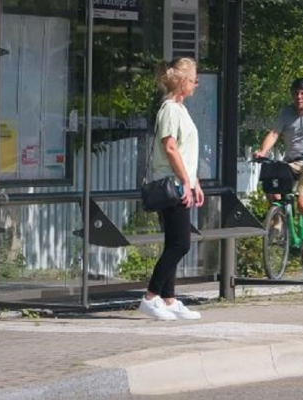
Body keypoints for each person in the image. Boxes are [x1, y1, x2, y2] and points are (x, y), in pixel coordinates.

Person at [138, 57, 204, 321]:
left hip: (181, 183)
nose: (196, 84)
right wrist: (186, 182)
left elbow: (185, 151)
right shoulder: (169, 110)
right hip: (172, 185)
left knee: (173, 242)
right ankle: (150, 297)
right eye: (194, 80)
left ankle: (169, 299)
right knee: (181, 244)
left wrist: (194, 181)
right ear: (183, 81)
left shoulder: (181, 109)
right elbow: (170, 147)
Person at [252, 78, 303, 266]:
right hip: (292, 162)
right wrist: (262, 152)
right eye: (296, 93)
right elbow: (274, 133)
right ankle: (278, 220)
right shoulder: (286, 112)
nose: (299, 97)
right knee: (271, 180)